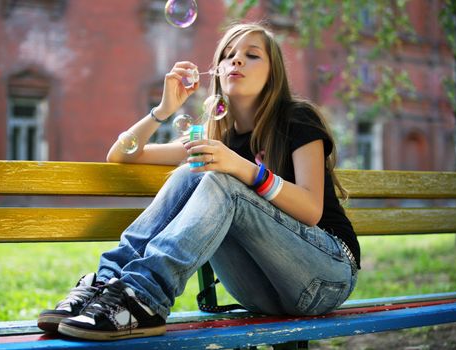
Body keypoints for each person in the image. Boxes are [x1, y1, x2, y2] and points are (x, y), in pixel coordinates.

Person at [37, 22, 360, 341]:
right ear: (217, 71)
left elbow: (311, 210)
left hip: (326, 276)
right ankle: (106, 283)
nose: (236, 60)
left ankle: (144, 298)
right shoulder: (217, 136)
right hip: (259, 287)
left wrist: (243, 168)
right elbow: (121, 154)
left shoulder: (297, 119)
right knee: (192, 169)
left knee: (219, 176)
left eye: (251, 55)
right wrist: (164, 110)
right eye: (228, 55)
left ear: (274, 72)